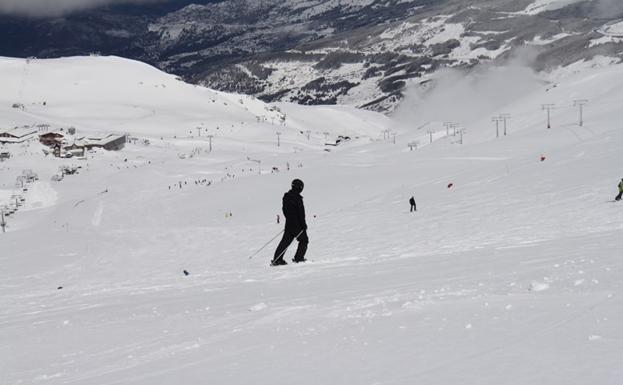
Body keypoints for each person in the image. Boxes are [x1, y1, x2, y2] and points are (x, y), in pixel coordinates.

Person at [272, 179, 308, 265]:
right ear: (299, 188)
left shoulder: (286, 197)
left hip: (289, 223)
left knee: (285, 241)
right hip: (297, 225)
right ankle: (298, 258)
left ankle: (277, 259)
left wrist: (289, 219)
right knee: (304, 240)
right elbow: (301, 213)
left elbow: (284, 210)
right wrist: (303, 225)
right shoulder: (297, 198)